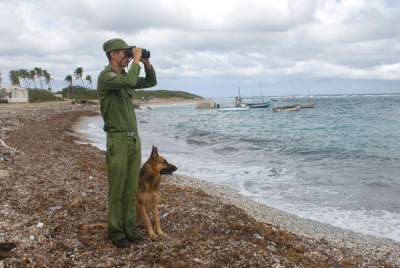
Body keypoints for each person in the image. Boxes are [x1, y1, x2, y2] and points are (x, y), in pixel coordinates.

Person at [97, 38, 157, 248]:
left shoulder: (124, 76)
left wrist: (146, 62)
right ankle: (115, 231)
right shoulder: (107, 77)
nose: (128, 56)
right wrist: (136, 61)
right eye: (125, 53)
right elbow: (131, 81)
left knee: (131, 187)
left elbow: (151, 82)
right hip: (118, 139)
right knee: (117, 188)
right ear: (113, 54)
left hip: (133, 138)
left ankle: (129, 228)